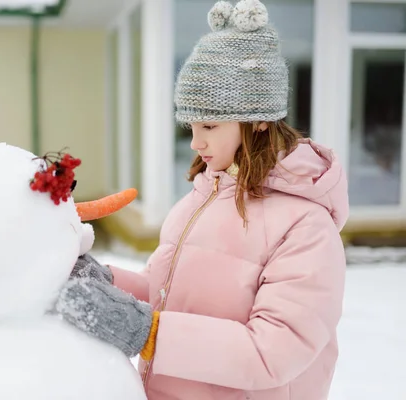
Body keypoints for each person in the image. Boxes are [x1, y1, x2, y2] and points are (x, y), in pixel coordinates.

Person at [54, 1, 349, 399]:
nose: (196, 142)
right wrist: (107, 281)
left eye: (209, 125)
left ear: (259, 121)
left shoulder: (307, 227)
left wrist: (146, 332)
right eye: (191, 125)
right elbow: (169, 294)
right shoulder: (200, 198)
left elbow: (273, 351)